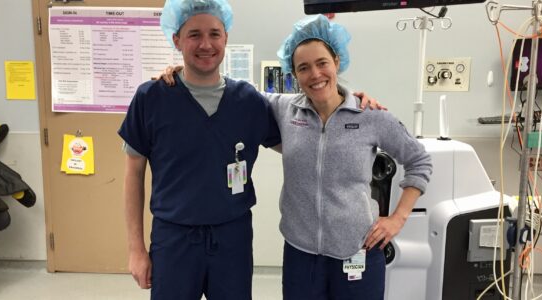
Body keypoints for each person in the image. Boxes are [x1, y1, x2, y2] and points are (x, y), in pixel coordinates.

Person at [117, 0, 280, 299]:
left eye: (215, 33)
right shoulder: (151, 98)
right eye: (194, 34)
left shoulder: (249, 102)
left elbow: (301, 138)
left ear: (226, 37)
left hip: (232, 238)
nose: (206, 44)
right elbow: (133, 175)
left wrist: (347, 103)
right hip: (173, 238)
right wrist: (136, 249)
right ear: (176, 39)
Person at [269, 15, 433, 299]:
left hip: (358, 250)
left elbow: (419, 160)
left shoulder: (370, 116)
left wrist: (397, 218)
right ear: (294, 74)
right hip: (301, 254)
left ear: (336, 61)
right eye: (303, 68)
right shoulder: (284, 110)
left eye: (322, 63)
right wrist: (180, 73)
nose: (315, 74)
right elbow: (232, 93)